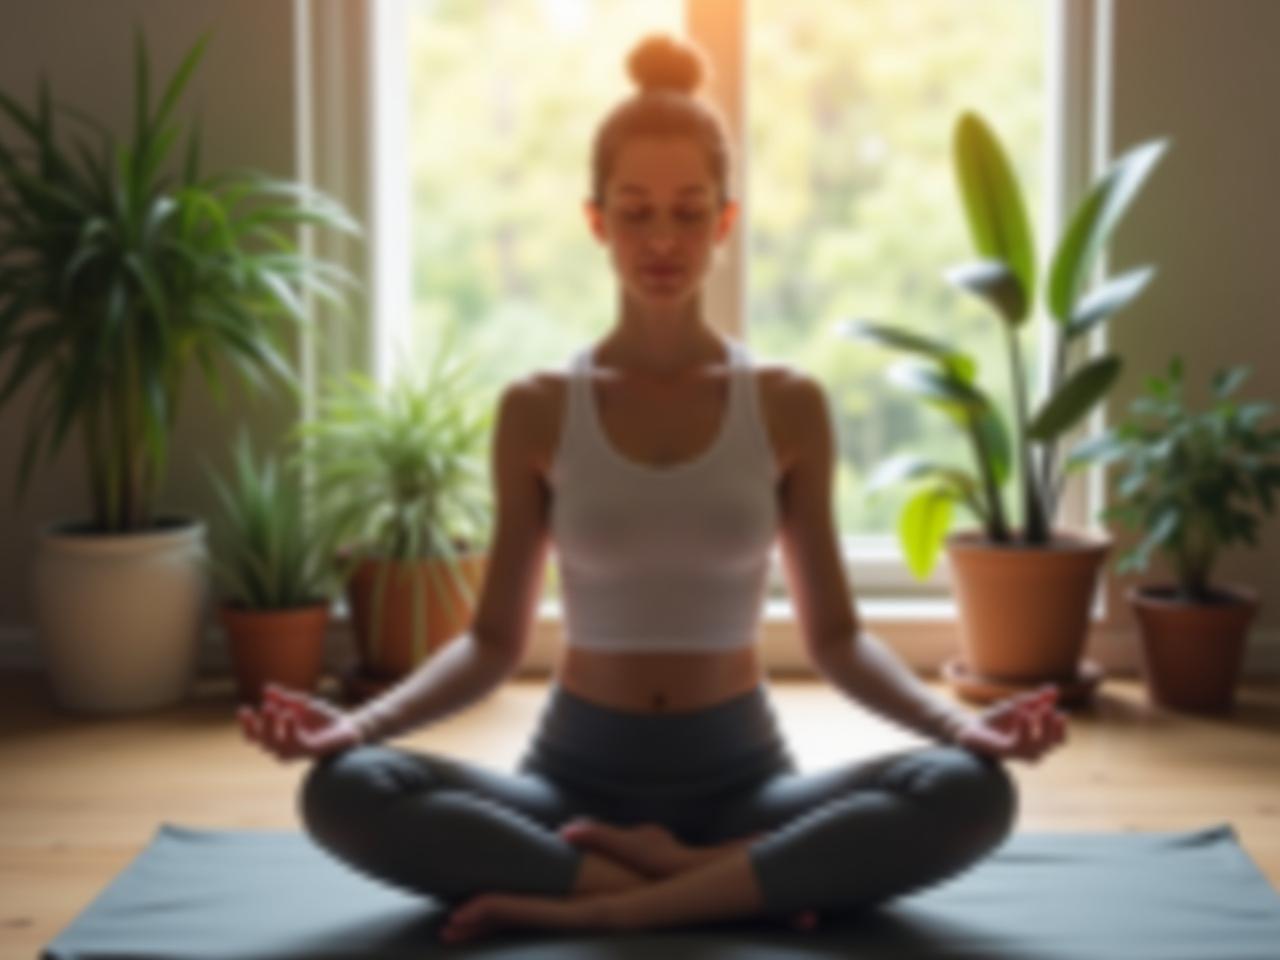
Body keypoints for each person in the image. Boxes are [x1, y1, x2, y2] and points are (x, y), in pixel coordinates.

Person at [238, 31, 1068, 945]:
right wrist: (354, 728)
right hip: (571, 782)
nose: (661, 240)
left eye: (687, 212)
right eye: (635, 213)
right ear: (597, 222)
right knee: (346, 791)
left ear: (724, 221)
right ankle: (719, 885)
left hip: (747, 782)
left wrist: (962, 731)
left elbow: (834, 640)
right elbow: (489, 643)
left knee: (971, 793)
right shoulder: (538, 409)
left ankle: (609, 896)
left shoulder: (789, 405)